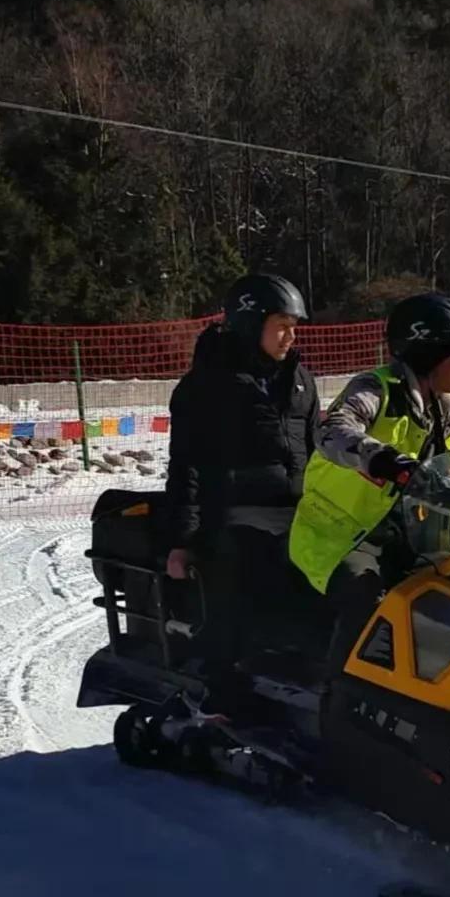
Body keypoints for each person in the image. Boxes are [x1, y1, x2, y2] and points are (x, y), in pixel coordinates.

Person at [288, 292, 450, 672]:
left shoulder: (449, 410)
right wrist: (382, 459)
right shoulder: (376, 389)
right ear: (431, 354)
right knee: (368, 596)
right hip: (341, 538)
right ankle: (340, 692)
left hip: (409, 539)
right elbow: (334, 429)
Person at [163, 272, 320, 691]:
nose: (290, 336)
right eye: (281, 326)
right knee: (243, 570)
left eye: (294, 326)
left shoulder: (301, 380)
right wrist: (183, 541)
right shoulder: (206, 385)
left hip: (297, 509)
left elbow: (317, 452)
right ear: (252, 325)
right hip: (232, 511)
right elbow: (186, 465)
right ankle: (223, 688)